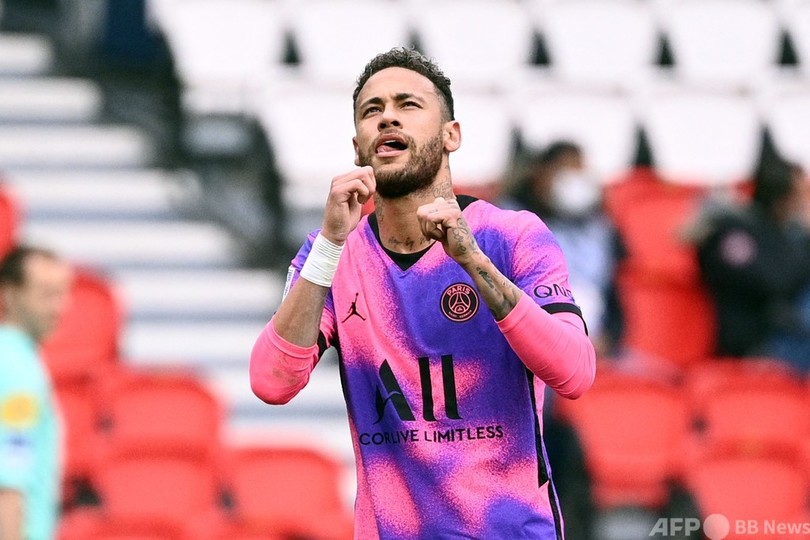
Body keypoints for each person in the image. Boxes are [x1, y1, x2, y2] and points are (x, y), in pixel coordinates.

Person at [250, 47, 596, 538]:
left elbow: (575, 372)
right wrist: (328, 244)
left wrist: (473, 262)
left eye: (408, 104)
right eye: (372, 110)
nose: (387, 117)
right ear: (358, 147)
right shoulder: (331, 253)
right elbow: (271, 382)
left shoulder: (512, 236)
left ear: (451, 135)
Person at [500, 141, 622, 357]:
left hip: (594, 344)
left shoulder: (601, 228)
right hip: (530, 343)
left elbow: (613, 297)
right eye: (566, 170)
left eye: (579, 170)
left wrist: (608, 338)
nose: (574, 180)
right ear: (541, 176)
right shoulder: (508, 222)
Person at [691, 156, 810, 372]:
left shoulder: (784, 233)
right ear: (782, 198)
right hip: (755, 345)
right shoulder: (733, 233)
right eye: (798, 196)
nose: (802, 204)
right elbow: (776, 282)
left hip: (788, 334)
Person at [0, 245, 72, 540]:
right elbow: (10, 479)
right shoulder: (16, 371)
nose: (58, 307)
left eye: (62, 294)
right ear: (9, 295)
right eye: (46, 294)